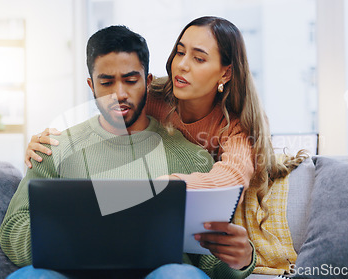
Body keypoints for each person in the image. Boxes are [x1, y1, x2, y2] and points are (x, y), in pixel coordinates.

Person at [24, 16, 306, 275]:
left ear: (225, 73)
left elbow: (230, 179)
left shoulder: (236, 125)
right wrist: (50, 143)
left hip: (198, 200)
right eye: (180, 52)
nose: (182, 64)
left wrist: (164, 187)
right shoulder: (154, 94)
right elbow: (108, 111)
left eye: (199, 58)